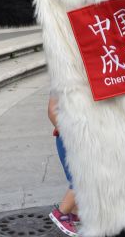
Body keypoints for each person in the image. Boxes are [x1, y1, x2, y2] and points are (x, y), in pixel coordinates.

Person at [48, 94, 79, 236]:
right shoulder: (62, 78)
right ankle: (62, 213)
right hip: (70, 139)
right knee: (84, 179)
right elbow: (52, 110)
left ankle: (75, 212)